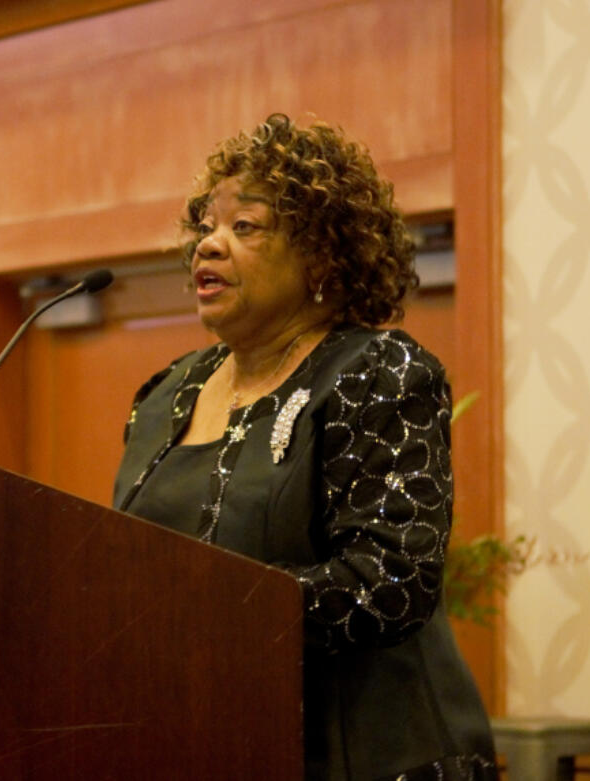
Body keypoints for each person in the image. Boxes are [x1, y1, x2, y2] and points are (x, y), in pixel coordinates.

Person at [112, 113, 498, 781]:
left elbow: (390, 581)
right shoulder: (165, 393)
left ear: (322, 253)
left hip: (370, 760)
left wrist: (200, 613)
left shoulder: (380, 374)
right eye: (206, 225)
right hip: (202, 748)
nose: (209, 245)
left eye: (245, 227)